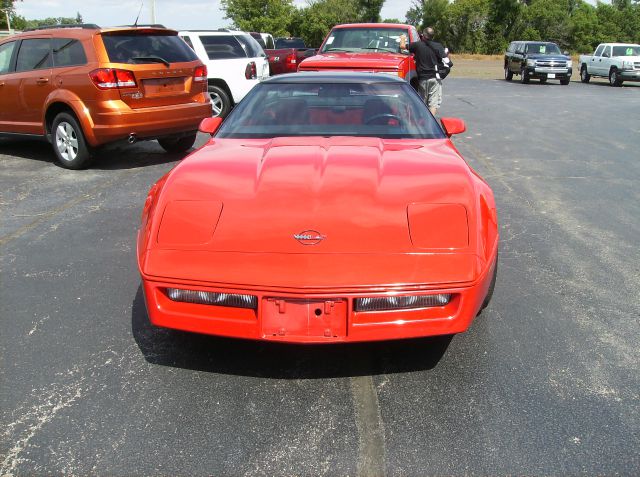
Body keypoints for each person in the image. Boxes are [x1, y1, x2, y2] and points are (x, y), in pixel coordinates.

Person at [400, 27, 446, 116]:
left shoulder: (417, 45)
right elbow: (444, 59)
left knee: (422, 103)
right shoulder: (438, 46)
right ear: (433, 36)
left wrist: (402, 38)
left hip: (422, 79)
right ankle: (431, 123)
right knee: (433, 103)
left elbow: (402, 47)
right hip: (435, 78)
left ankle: (422, 121)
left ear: (423, 36)